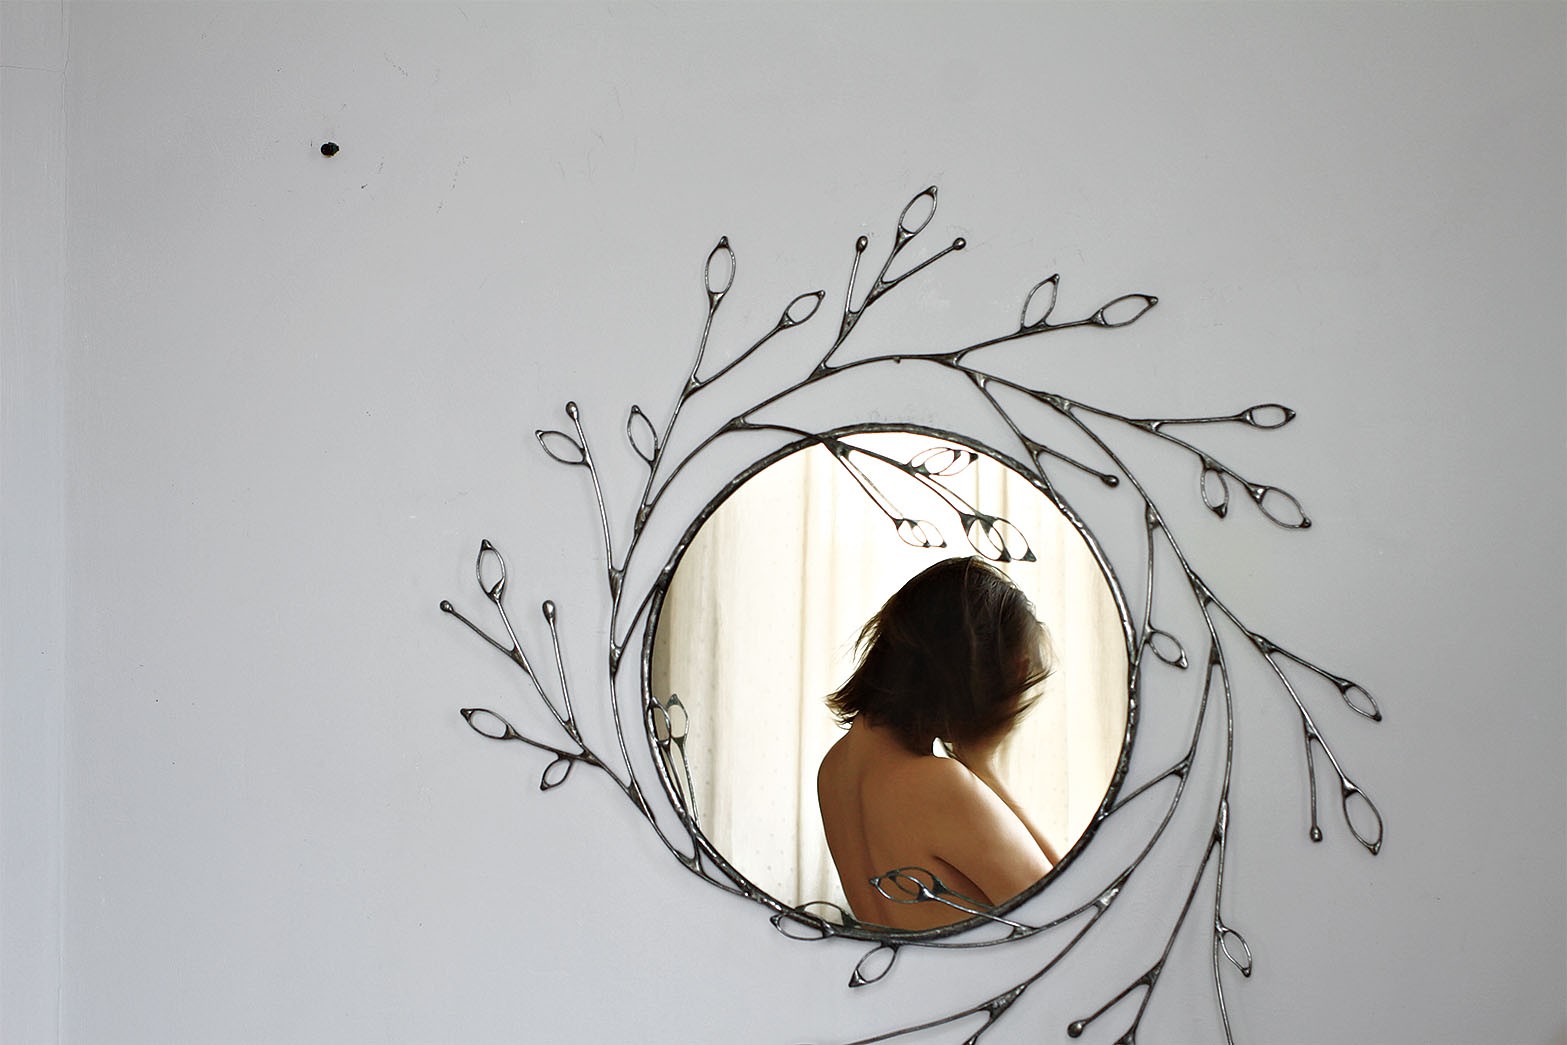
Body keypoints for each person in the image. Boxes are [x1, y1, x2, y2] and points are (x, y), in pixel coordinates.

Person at [817, 556, 1059, 930]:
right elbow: (1070, 912)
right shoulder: (937, 783)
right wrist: (984, 769)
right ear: (978, 673)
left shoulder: (835, 766)